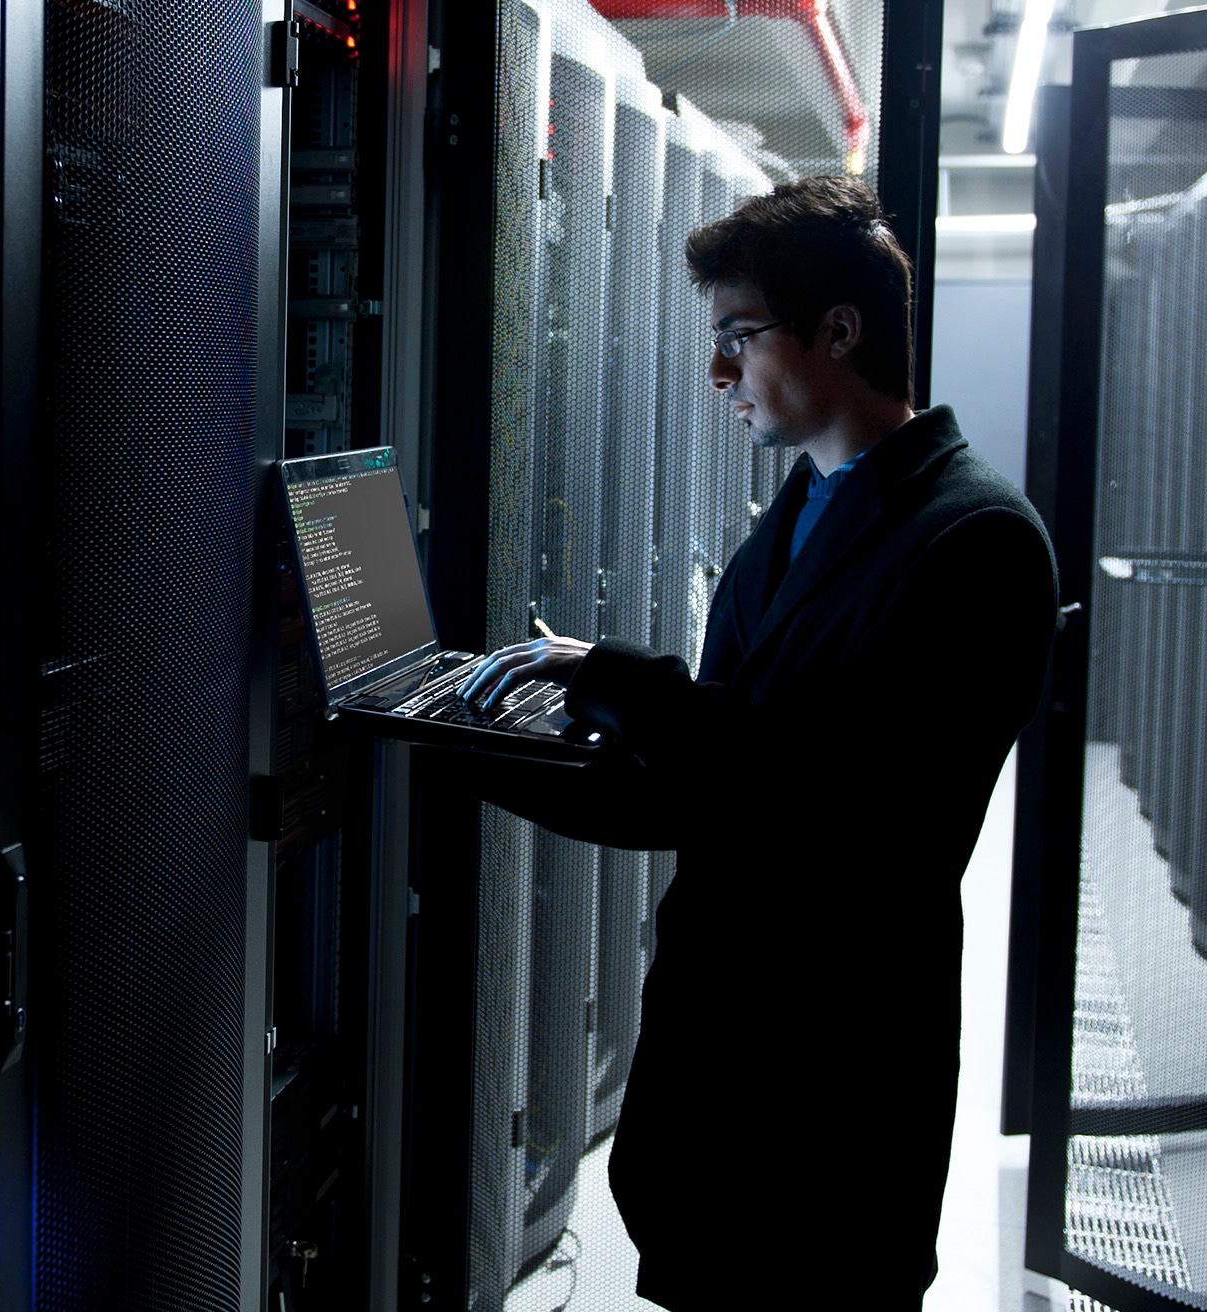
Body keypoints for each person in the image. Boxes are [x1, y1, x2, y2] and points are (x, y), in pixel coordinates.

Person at [450, 175, 1058, 1310]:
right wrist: (457, 744)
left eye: (738, 335)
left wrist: (619, 679)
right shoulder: (792, 518)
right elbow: (691, 791)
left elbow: (832, 805)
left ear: (840, 331)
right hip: (719, 1066)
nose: (718, 370)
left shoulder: (976, 542)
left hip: (833, 1080)